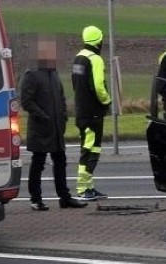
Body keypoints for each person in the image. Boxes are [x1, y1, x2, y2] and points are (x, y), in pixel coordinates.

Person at [20, 36, 87, 211]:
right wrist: (43, 116)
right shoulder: (31, 74)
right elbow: (26, 101)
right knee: (38, 162)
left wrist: (63, 115)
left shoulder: (54, 73)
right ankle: (36, 198)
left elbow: (61, 97)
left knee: (60, 161)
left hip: (56, 127)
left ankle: (64, 197)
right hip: (41, 129)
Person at [71, 25, 112, 201]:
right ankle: (83, 189)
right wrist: (107, 101)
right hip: (93, 113)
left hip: (81, 110)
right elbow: (98, 86)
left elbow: (76, 85)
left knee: (87, 147)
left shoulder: (78, 58)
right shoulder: (95, 59)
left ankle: (88, 187)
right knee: (91, 150)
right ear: (98, 40)